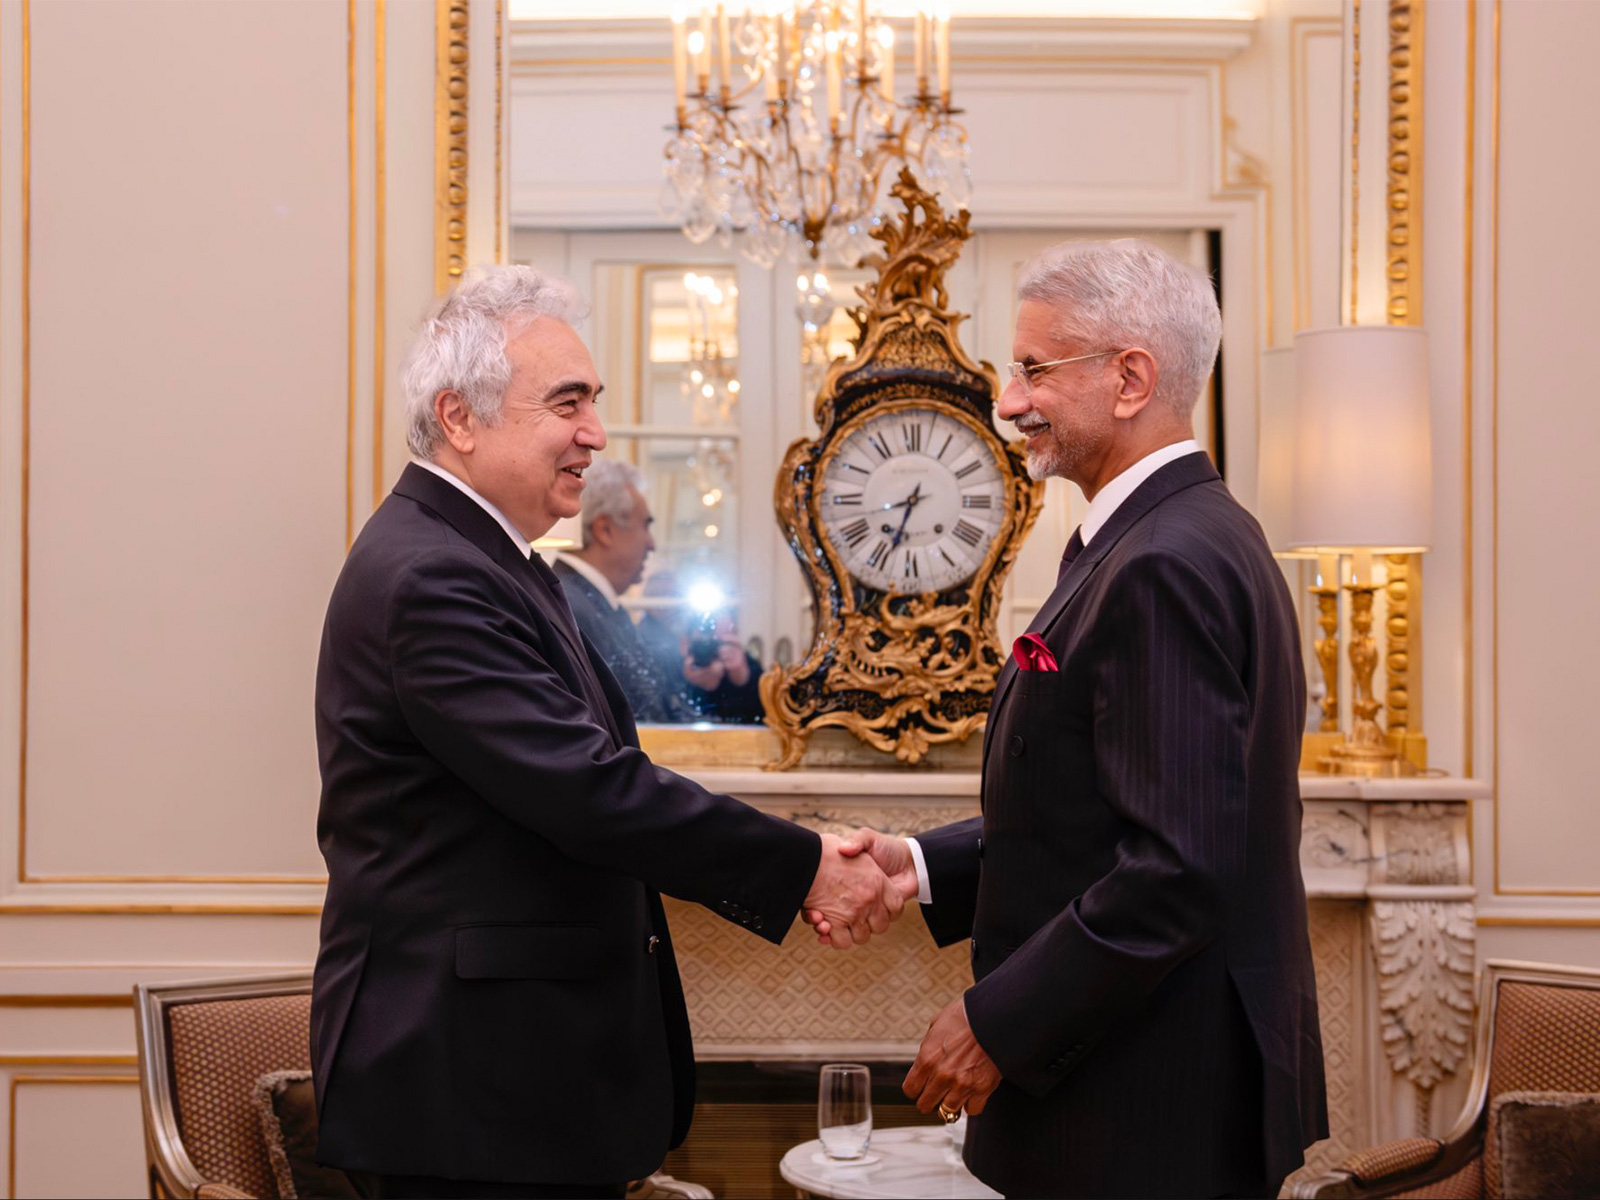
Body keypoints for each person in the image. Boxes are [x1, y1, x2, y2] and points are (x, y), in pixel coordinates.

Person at [311, 264, 903, 1200]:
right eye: (568, 402)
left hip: (503, 1089)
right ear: (459, 418)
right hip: (466, 1096)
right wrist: (807, 866)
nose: (595, 431)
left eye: (593, 401)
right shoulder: (434, 576)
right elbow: (589, 790)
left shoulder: (489, 561)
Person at [819, 239, 1328, 1198]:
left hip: (1148, 1110)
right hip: (1145, 1095)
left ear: (1130, 379)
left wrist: (996, 1024)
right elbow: (1096, 813)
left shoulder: (1163, 560)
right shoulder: (1172, 534)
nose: (1010, 401)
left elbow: (1176, 869)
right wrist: (918, 865)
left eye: (1033, 370)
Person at [551, 458, 677, 722]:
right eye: (645, 525)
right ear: (605, 530)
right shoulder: (572, 609)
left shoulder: (587, 603)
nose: (652, 544)